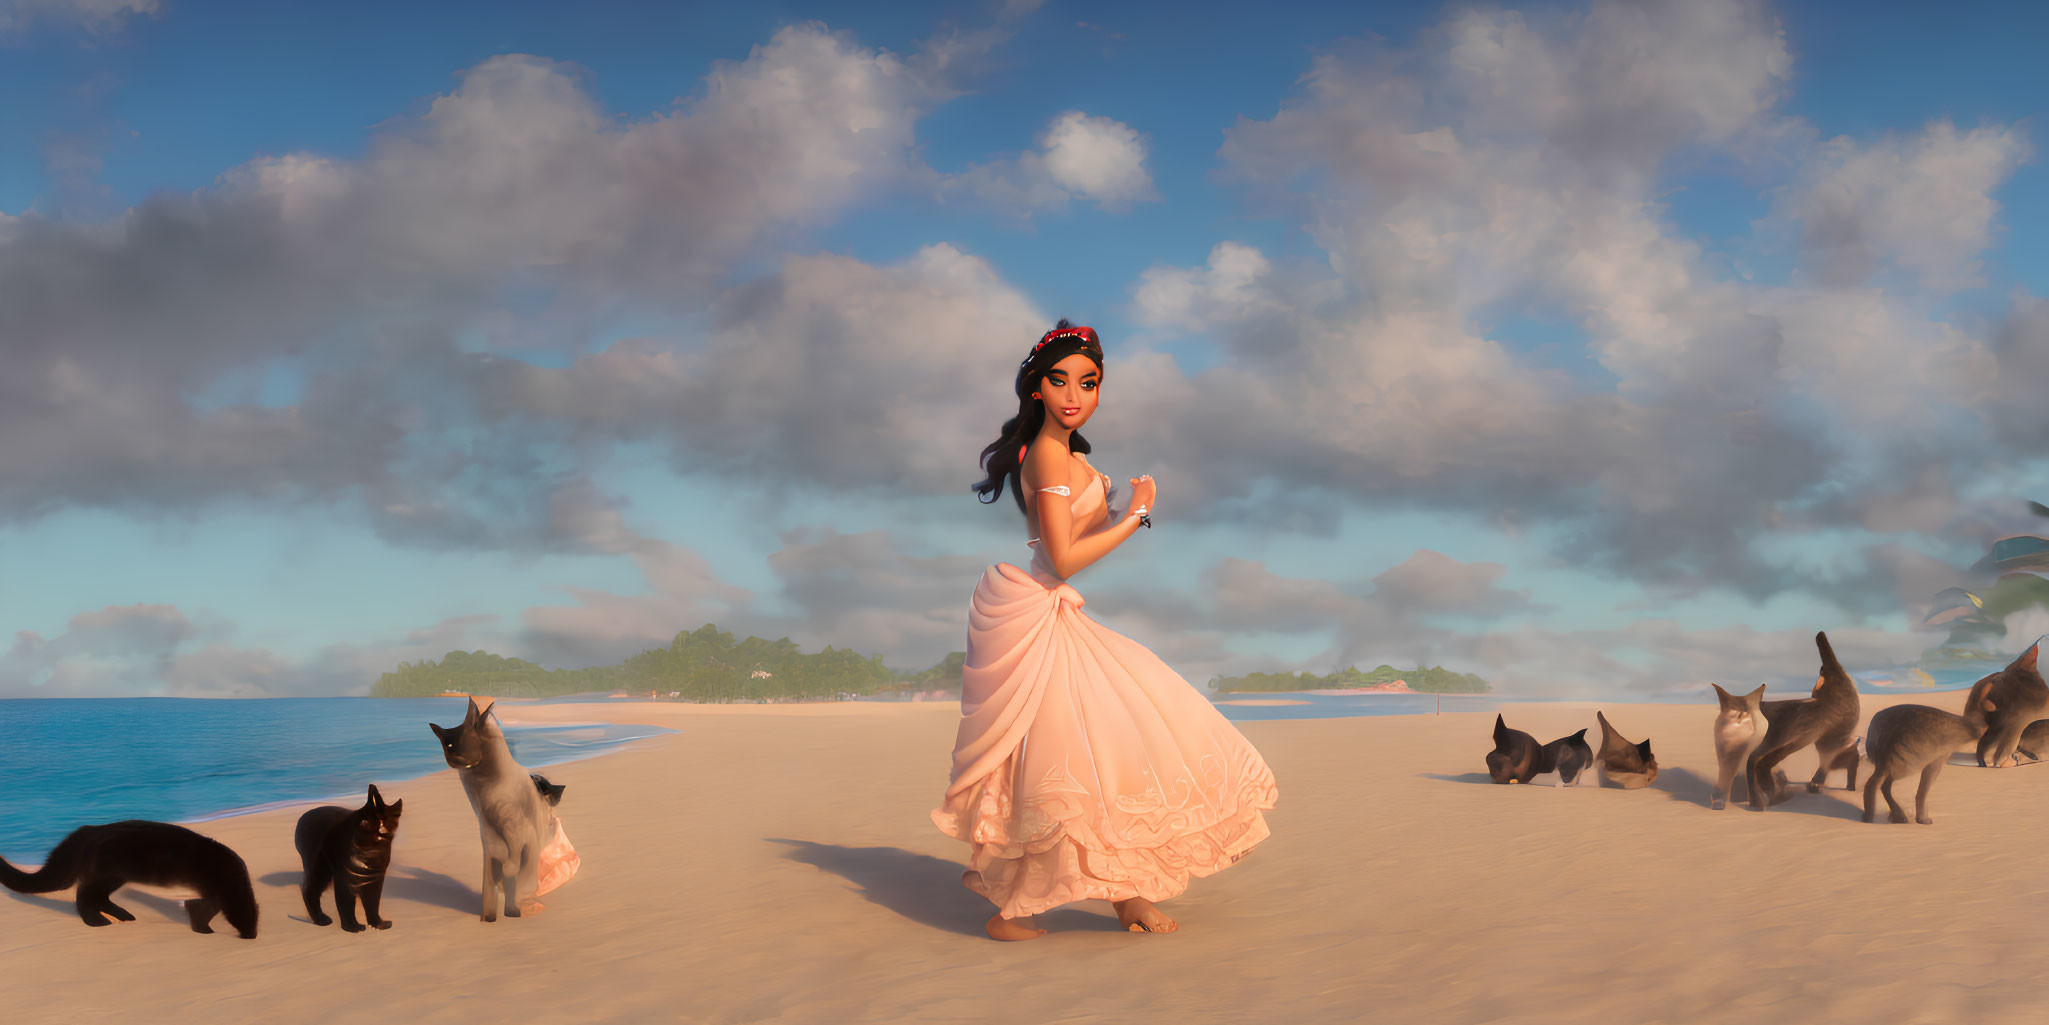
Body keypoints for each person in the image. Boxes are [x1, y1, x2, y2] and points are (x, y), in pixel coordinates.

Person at [932, 319, 1280, 941]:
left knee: (1107, 754)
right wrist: (1138, 516)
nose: (1074, 395)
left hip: (1061, 614)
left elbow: (1069, 546)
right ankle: (1020, 907)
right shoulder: (1045, 452)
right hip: (1043, 618)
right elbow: (1060, 559)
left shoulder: (1063, 454)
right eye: (1060, 381)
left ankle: (1125, 897)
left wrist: (1118, 515)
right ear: (1036, 387)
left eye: (1088, 383)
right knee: (1067, 763)